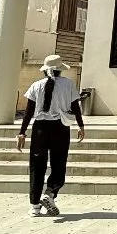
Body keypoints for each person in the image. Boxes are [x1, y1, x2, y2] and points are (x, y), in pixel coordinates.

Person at [16, 54, 85, 217]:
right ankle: (50, 192)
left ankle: (34, 206)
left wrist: (22, 132)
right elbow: (75, 107)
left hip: (40, 128)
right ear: (60, 70)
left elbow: (28, 112)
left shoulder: (36, 86)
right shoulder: (68, 85)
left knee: (37, 165)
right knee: (59, 163)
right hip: (60, 127)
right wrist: (81, 126)